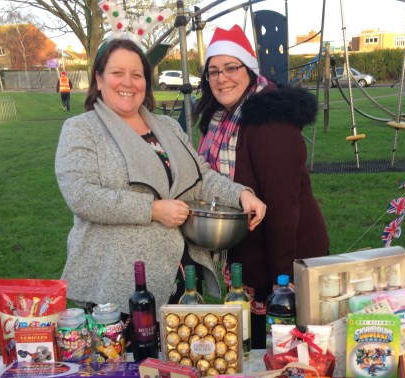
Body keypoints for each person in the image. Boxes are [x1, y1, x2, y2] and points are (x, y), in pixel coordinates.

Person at [55, 38, 266, 318]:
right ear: (99, 78)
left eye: (137, 74)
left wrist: (242, 194)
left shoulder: (166, 127)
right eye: (118, 73)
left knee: (182, 356)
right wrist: (152, 210)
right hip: (121, 277)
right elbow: (82, 195)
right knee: (133, 360)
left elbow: (201, 176)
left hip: (181, 272)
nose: (128, 83)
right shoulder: (81, 129)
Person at [194, 25, 330, 349]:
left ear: (249, 70)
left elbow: (284, 207)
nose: (222, 78)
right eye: (213, 71)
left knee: (282, 352)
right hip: (253, 254)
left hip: (286, 258)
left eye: (231, 68)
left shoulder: (270, 122)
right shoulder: (223, 118)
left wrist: (281, 286)